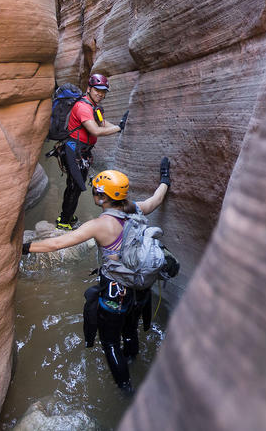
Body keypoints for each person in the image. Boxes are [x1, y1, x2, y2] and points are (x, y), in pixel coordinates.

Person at [24, 158, 172, 393]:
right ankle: (132, 360)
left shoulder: (99, 225)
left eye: (95, 191)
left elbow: (57, 244)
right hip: (140, 289)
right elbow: (156, 200)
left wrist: (23, 248)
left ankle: (125, 389)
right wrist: (165, 178)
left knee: (110, 342)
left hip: (116, 292)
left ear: (102, 197)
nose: (94, 194)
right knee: (131, 331)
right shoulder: (134, 208)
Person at [56, 73, 129, 230]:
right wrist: (118, 128)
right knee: (74, 186)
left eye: (103, 92)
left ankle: (67, 214)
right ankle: (64, 221)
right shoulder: (83, 107)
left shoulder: (92, 106)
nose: (101, 94)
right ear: (89, 89)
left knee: (73, 185)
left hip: (81, 152)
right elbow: (95, 130)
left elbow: (101, 122)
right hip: (74, 151)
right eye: (98, 90)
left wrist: (119, 126)